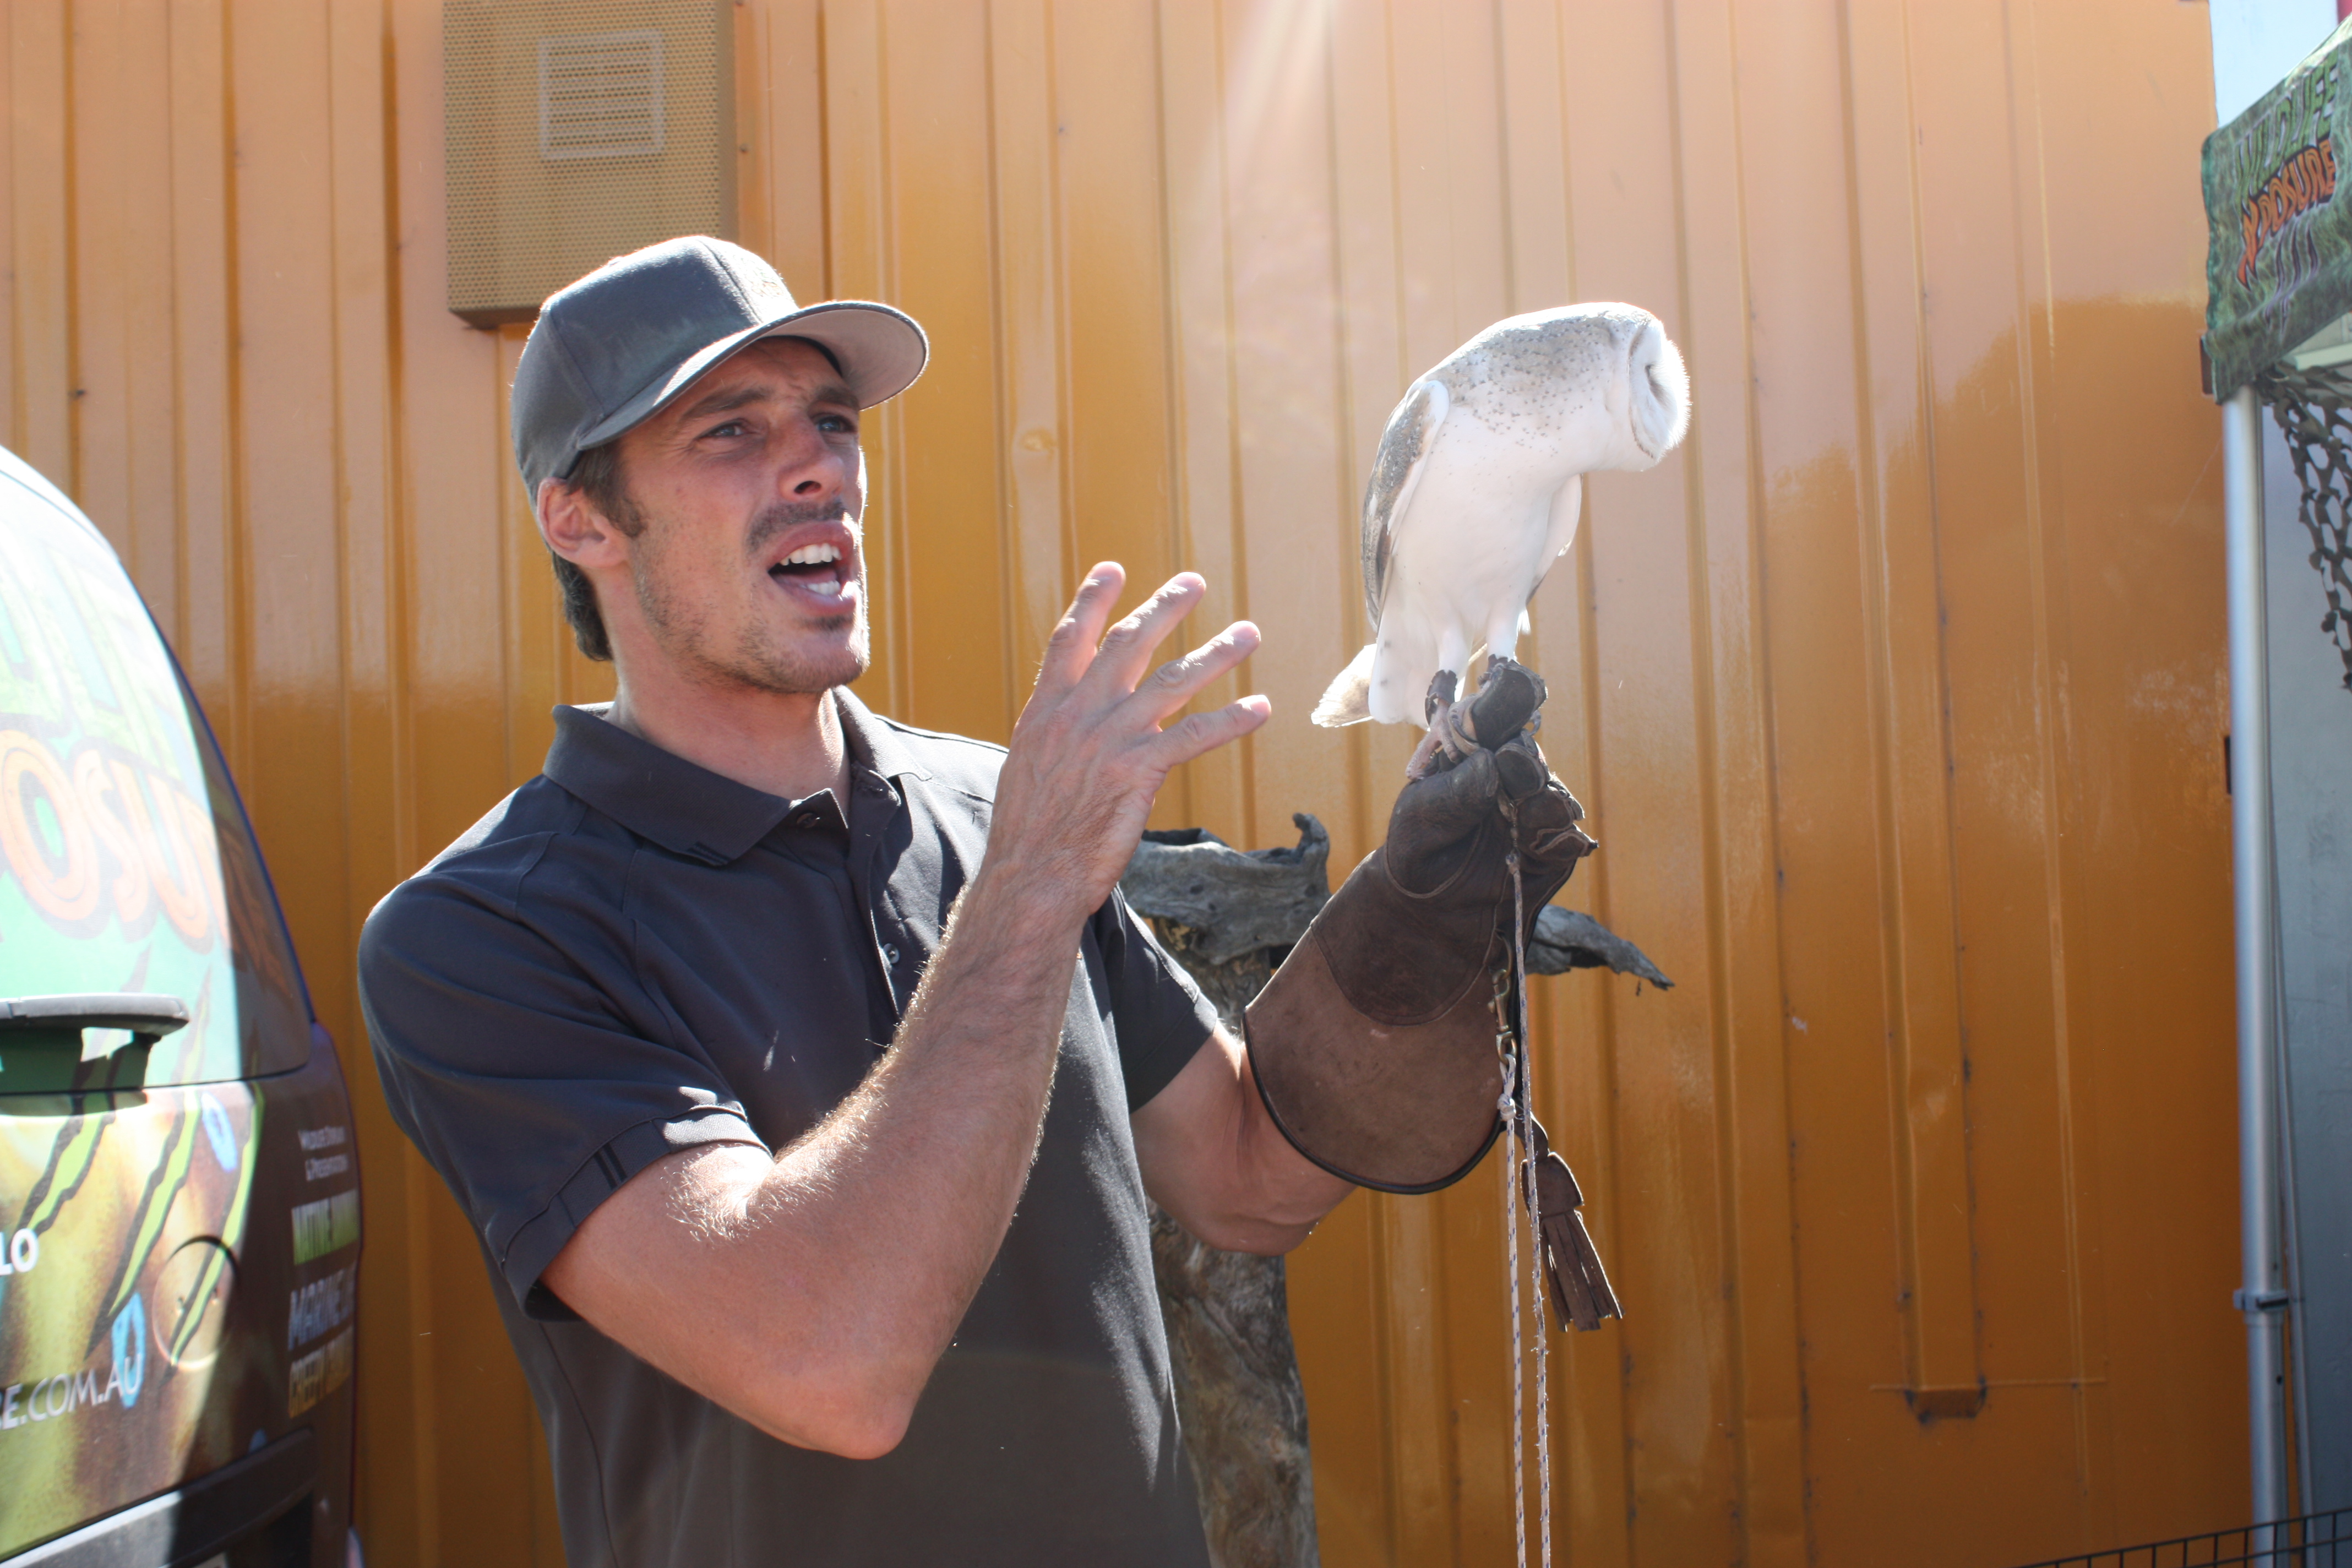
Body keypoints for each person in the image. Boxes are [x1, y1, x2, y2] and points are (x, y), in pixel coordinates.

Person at [360, 236, 1593, 1567]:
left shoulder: (992, 811)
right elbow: (831, 1363)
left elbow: (1248, 1177)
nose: (818, 464)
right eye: (731, 430)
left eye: (833, 420)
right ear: (581, 519)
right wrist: (1032, 883)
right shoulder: (487, 933)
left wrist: (1420, 920)